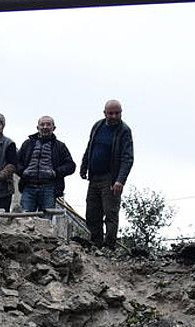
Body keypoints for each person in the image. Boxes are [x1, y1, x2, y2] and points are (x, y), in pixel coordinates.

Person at [79, 99, 134, 248]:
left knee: (110, 213)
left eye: (117, 113)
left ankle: (109, 246)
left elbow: (127, 158)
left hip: (111, 178)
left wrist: (120, 180)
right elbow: (90, 147)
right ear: (105, 113)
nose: (114, 116)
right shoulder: (98, 126)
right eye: (111, 113)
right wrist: (84, 166)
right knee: (92, 213)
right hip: (94, 176)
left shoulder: (124, 131)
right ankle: (95, 244)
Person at [16, 115, 75, 212]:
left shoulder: (60, 146)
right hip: (28, 187)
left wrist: (55, 172)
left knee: (46, 222)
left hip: (49, 188)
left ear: (54, 128)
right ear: (37, 127)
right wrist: (23, 172)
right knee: (25, 219)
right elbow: (16, 162)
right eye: (42, 124)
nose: (45, 127)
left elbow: (71, 166)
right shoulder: (27, 144)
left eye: (48, 124)